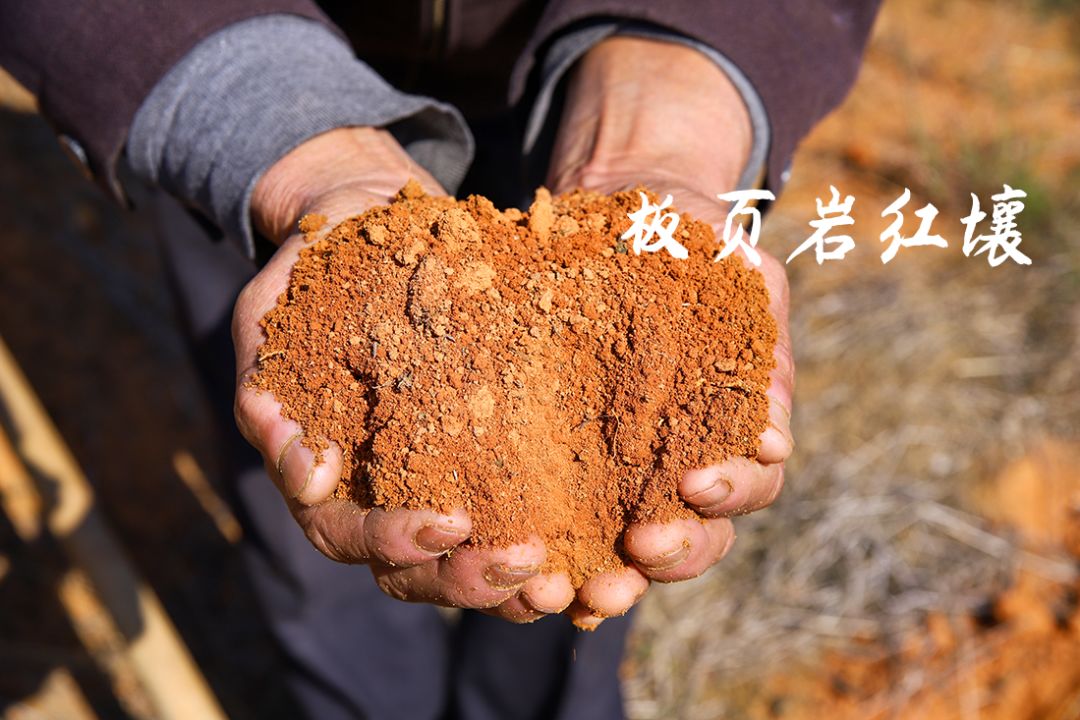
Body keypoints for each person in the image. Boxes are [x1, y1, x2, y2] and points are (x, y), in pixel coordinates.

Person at [0, 2, 880, 718]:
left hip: (585, 54)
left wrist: (677, 77)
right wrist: (255, 103)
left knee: (578, 570)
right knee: (320, 517)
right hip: (242, 87)